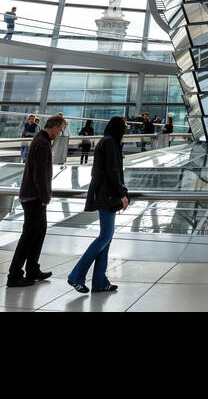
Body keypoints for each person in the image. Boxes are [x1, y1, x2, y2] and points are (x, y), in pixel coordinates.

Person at [67, 116, 129, 294]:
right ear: (118, 127)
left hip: (106, 195)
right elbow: (113, 171)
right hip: (107, 195)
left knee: (106, 240)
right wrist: (122, 193)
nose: (127, 129)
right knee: (104, 237)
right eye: (125, 126)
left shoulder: (109, 141)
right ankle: (76, 276)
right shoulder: (109, 143)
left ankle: (100, 282)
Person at [8, 113, 66, 287]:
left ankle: (32, 269)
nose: (60, 134)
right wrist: (44, 197)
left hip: (35, 196)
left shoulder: (43, 141)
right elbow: (39, 174)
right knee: (28, 236)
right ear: (54, 127)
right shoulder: (41, 143)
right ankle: (14, 275)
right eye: (61, 130)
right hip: (34, 197)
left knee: (38, 232)